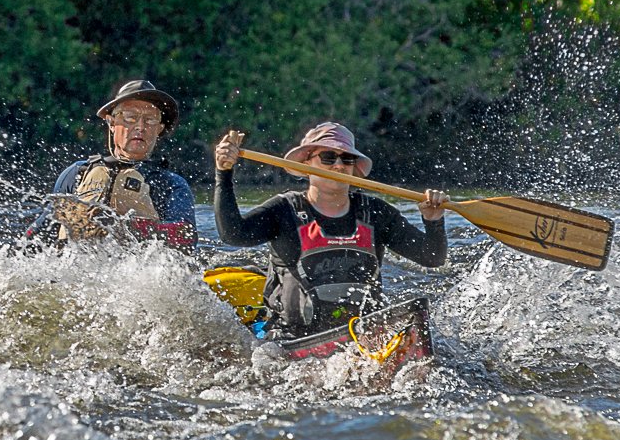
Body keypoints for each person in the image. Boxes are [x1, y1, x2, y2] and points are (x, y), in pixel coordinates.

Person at [213, 121, 447, 338]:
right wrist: (224, 174)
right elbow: (233, 234)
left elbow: (432, 257)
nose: (338, 165)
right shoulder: (283, 210)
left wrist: (433, 221)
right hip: (293, 335)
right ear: (306, 164)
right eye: (328, 157)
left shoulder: (376, 212)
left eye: (347, 159)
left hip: (364, 334)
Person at [28, 79, 197, 251]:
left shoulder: (171, 184)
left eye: (150, 120)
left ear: (159, 129)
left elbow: (187, 237)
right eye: (130, 117)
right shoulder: (77, 173)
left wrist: (123, 226)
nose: (140, 127)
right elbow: (38, 234)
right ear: (112, 122)